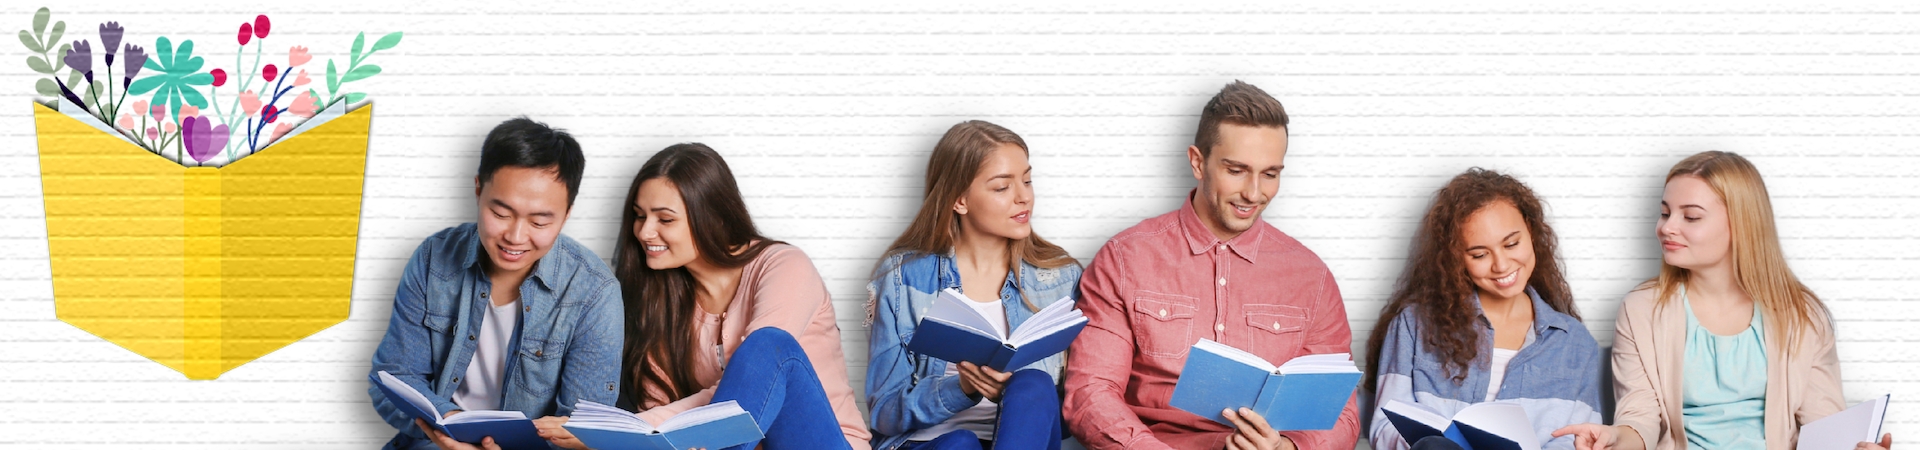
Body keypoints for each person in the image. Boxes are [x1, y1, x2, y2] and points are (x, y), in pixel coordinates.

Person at [1063, 80, 1360, 450]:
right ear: (1198, 162)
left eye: (1270, 174)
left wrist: (1287, 448)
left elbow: (1341, 412)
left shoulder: (1311, 276)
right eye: (1236, 170)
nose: (1254, 193)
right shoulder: (1125, 259)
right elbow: (1091, 391)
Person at [531, 143, 872, 450]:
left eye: (665, 218)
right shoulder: (657, 305)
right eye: (639, 216)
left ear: (710, 217)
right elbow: (665, 418)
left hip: (822, 443)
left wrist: (623, 430)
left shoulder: (783, 266)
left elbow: (754, 382)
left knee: (769, 347)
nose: (645, 231)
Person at [1552, 151, 1892, 450]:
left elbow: (1824, 426)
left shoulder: (1802, 314)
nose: (1667, 227)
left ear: (1742, 225)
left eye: (1691, 216)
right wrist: (1616, 439)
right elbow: (1639, 416)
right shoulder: (1641, 310)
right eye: (1665, 212)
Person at [367, 118, 624, 450]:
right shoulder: (434, 258)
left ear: (567, 213)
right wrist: (454, 429)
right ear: (478, 190)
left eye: (540, 221)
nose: (515, 237)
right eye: (501, 214)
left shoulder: (595, 293)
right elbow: (392, 380)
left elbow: (582, 429)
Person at [865, 121, 1084, 450]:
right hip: (934, 446)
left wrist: (1014, 394)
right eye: (1002, 187)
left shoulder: (1062, 277)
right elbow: (884, 414)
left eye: (1027, 180)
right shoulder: (902, 278)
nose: (1024, 197)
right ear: (960, 201)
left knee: (1033, 384)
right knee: (960, 445)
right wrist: (963, 388)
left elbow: (1075, 412)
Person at [1363, 168, 1604, 450]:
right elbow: (1385, 425)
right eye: (1479, 254)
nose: (1501, 265)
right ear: (1455, 259)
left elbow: (1578, 439)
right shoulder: (1414, 324)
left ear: (1532, 233)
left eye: (1512, 243)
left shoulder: (1574, 343)